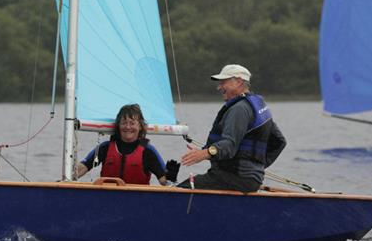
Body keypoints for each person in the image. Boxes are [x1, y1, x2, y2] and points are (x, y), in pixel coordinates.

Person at [179, 64, 286, 192]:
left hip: (233, 178)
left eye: (223, 82)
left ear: (239, 82)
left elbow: (229, 145)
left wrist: (205, 153)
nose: (219, 87)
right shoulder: (257, 106)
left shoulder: (239, 109)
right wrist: (256, 169)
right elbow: (279, 142)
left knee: (182, 189)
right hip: (251, 181)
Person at [75, 104, 179, 185]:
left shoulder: (148, 151)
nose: (128, 127)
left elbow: (164, 182)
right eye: (124, 123)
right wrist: (66, 179)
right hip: (107, 200)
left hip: (138, 202)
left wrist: (171, 178)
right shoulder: (105, 148)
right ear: (118, 126)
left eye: (132, 123)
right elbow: (81, 169)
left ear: (140, 126)